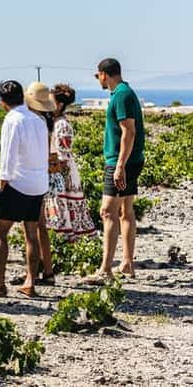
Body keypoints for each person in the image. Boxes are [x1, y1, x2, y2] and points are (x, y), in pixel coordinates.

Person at [0, 80, 48, 298]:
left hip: (17, 182)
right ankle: (30, 282)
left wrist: (3, 178)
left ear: (2, 101)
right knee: (31, 233)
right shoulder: (38, 119)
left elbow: (9, 151)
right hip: (38, 183)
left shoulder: (12, 120)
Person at [84, 59, 146, 284]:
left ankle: (105, 270)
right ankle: (127, 263)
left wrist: (119, 165)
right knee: (125, 211)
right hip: (132, 159)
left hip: (121, 161)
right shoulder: (125, 93)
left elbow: (128, 131)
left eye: (97, 75)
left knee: (107, 212)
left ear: (103, 74)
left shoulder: (120, 95)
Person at [10, 82, 58, 287]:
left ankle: (35, 272)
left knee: (32, 228)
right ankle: (46, 270)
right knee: (40, 227)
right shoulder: (45, 121)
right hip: (43, 178)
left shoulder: (31, 122)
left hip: (33, 178)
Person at [43, 84, 97, 240]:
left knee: (63, 203)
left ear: (59, 105)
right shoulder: (55, 123)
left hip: (61, 171)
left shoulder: (62, 125)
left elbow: (63, 154)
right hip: (57, 169)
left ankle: (68, 239)